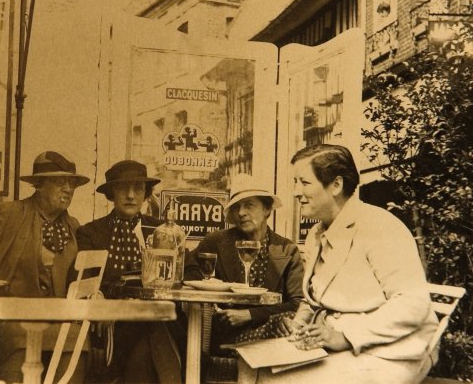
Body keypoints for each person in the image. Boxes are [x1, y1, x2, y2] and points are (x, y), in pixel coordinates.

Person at [250, 144, 438, 383]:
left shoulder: (379, 227)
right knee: (256, 369)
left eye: (304, 183)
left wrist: (346, 335)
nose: (296, 192)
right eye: (295, 182)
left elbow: (413, 304)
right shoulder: (317, 233)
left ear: (336, 185)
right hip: (340, 346)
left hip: (393, 350)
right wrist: (297, 327)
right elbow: (315, 297)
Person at [0, 150, 90, 383]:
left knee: (76, 337)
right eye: (59, 182)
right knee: (20, 336)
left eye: (71, 183)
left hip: (51, 321)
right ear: (39, 184)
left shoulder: (73, 227)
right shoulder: (8, 214)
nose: (67, 189)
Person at [76, 160, 183, 384]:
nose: (131, 195)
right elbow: (82, 279)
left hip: (152, 320)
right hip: (114, 325)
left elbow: (184, 273)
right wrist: (97, 297)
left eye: (138, 189)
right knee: (154, 331)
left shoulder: (161, 231)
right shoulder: (91, 233)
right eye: (124, 188)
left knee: (145, 350)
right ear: (112, 193)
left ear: (146, 194)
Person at [185, 173, 305, 353]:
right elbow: (189, 267)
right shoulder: (216, 242)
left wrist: (250, 315)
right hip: (224, 333)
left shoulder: (286, 249)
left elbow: (297, 303)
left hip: (271, 332)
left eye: (249, 205)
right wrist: (209, 291)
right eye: (237, 207)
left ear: (267, 209)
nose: (241, 213)